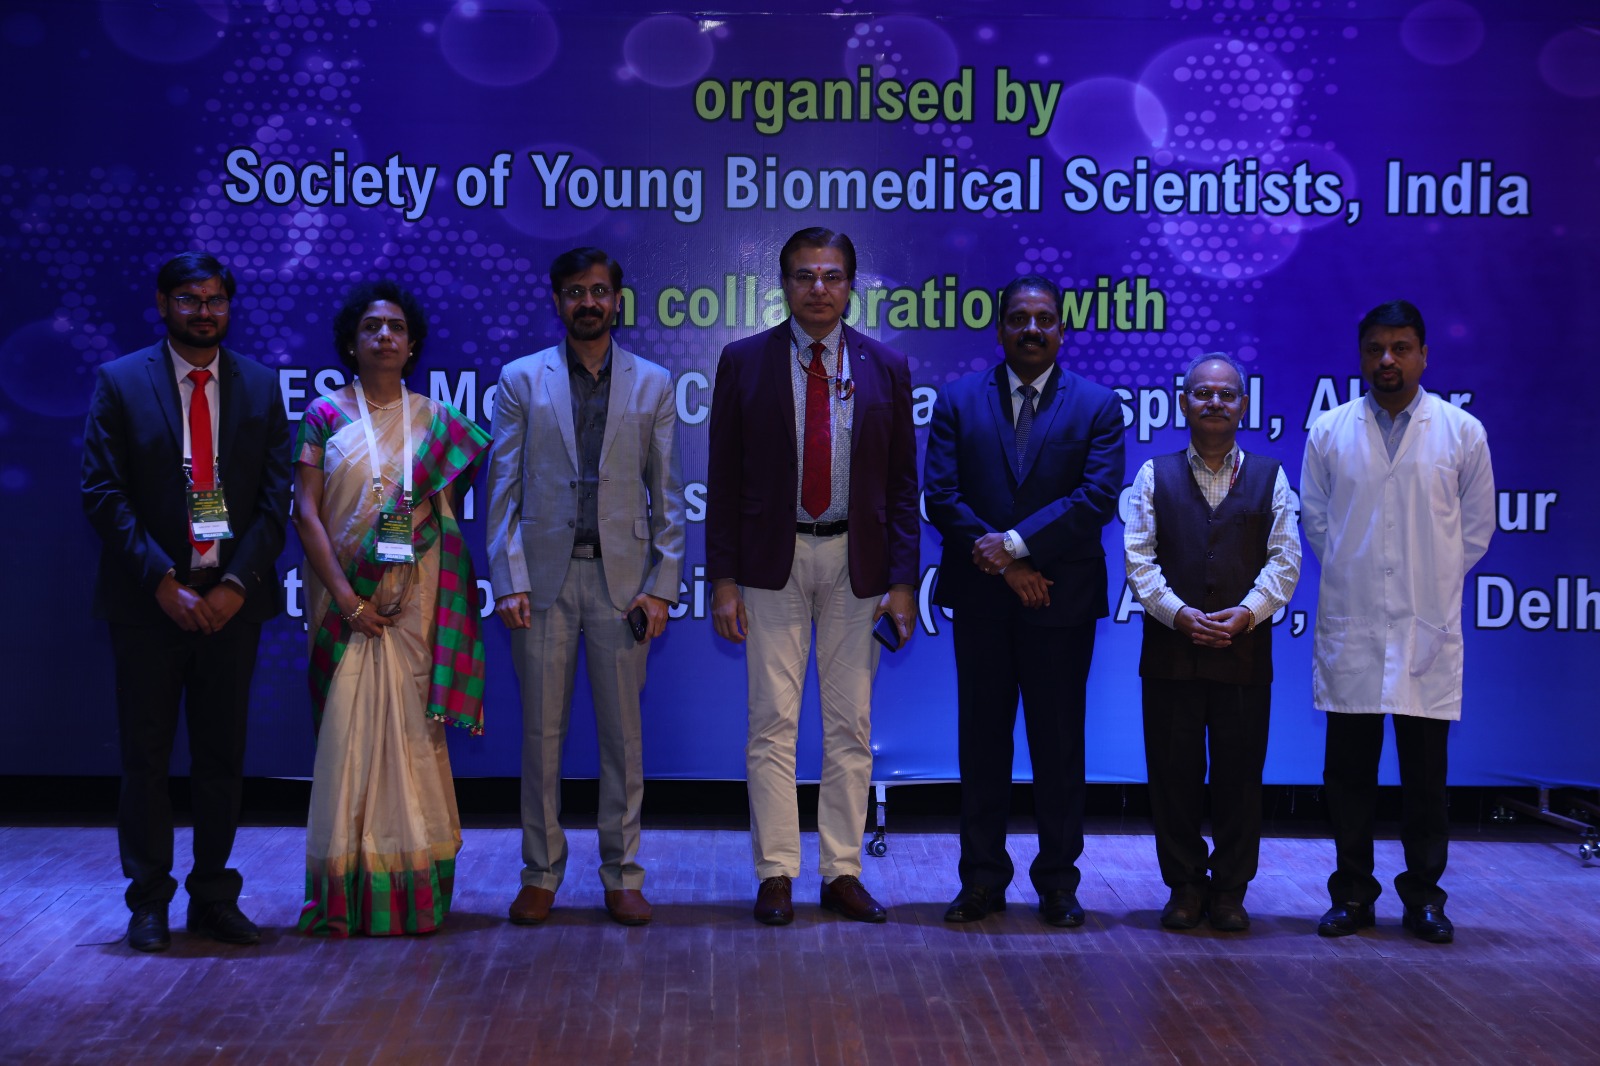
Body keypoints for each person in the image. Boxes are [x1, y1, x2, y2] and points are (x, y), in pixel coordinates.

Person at [706, 227, 919, 926]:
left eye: (831, 276)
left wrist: (902, 582)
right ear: (784, 284)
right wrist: (724, 579)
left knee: (850, 725)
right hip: (774, 562)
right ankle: (775, 871)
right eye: (804, 276)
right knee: (771, 722)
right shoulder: (743, 361)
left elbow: (902, 487)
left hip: (860, 565)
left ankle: (841, 871)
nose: (818, 289)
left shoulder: (886, 366)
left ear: (850, 285)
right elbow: (724, 479)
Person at [82, 252, 293, 952]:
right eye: (189, 300)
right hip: (149, 606)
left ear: (229, 305)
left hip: (231, 606)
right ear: (162, 303)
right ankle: (148, 901)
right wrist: (160, 580)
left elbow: (275, 502)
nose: (204, 312)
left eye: (215, 300)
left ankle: (212, 897)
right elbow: (102, 493)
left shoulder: (260, 385)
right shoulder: (120, 381)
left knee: (220, 758)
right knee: (145, 759)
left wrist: (235, 585)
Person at [487, 247, 686, 928]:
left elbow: (669, 494)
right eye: (575, 292)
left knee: (623, 742)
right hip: (541, 583)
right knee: (540, 739)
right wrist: (508, 579)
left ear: (617, 300)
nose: (588, 302)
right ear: (558, 301)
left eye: (599, 290)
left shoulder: (653, 382)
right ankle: (540, 873)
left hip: (622, 586)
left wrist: (661, 588)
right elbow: (503, 490)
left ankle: (622, 874)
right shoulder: (521, 379)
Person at [923, 274, 1124, 928]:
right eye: (1019, 318)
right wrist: (1010, 566)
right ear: (1000, 328)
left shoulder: (1098, 405)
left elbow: (1096, 499)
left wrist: (1013, 545)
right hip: (984, 600)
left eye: (1044, 319)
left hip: (1060, 600)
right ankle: (981, 879)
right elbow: (941, 496)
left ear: (1062, 330)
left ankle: (1058, 883)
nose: (1032, 329)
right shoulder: (957, 400)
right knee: (982, 744)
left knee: (1058, 748)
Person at [292, 280, 490, 937]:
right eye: (371, 327)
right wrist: (349, 599)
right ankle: (342, 896)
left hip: (415, 607)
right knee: (345, 741)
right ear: (351, 342)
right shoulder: (323, 416)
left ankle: (415, 893)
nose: (384, 336)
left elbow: (445, 517)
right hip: (342, 604)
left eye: (396, 328)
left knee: (412, 742)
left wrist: (402, 588)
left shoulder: (438, 423)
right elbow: (306, 513)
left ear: (412, 344)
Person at [1302, 299, 1493, 945]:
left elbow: (1475, 530)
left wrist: (1426, 579)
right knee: (1348, 776)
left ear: (1424, 355)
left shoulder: (1461, 431)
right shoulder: (1329, 429)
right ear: (1361, 356)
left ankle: (1425, 899)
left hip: (1424, 626)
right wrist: (1362, 574)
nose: (1387, 360)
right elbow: (1317, 521)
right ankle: (1352, 894)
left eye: (1401, 347)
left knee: (1425, 778)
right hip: (1353, 620)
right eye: (1375, 349)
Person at [1123, 353, 1301, 932]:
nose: (1215, 402)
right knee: (1172, 778)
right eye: (1203, 393)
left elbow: (1285, 560)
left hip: (1243, 655)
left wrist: (1248, 613)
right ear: (1184, 403)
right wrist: (1178, 615)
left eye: (1226, 394)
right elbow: (1138, 560)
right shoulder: (1154, 474)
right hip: (1171, 655)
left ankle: (1229, 891)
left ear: (1243, 405)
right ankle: (1183, 887)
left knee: (1240, 779)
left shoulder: (1271, 476)